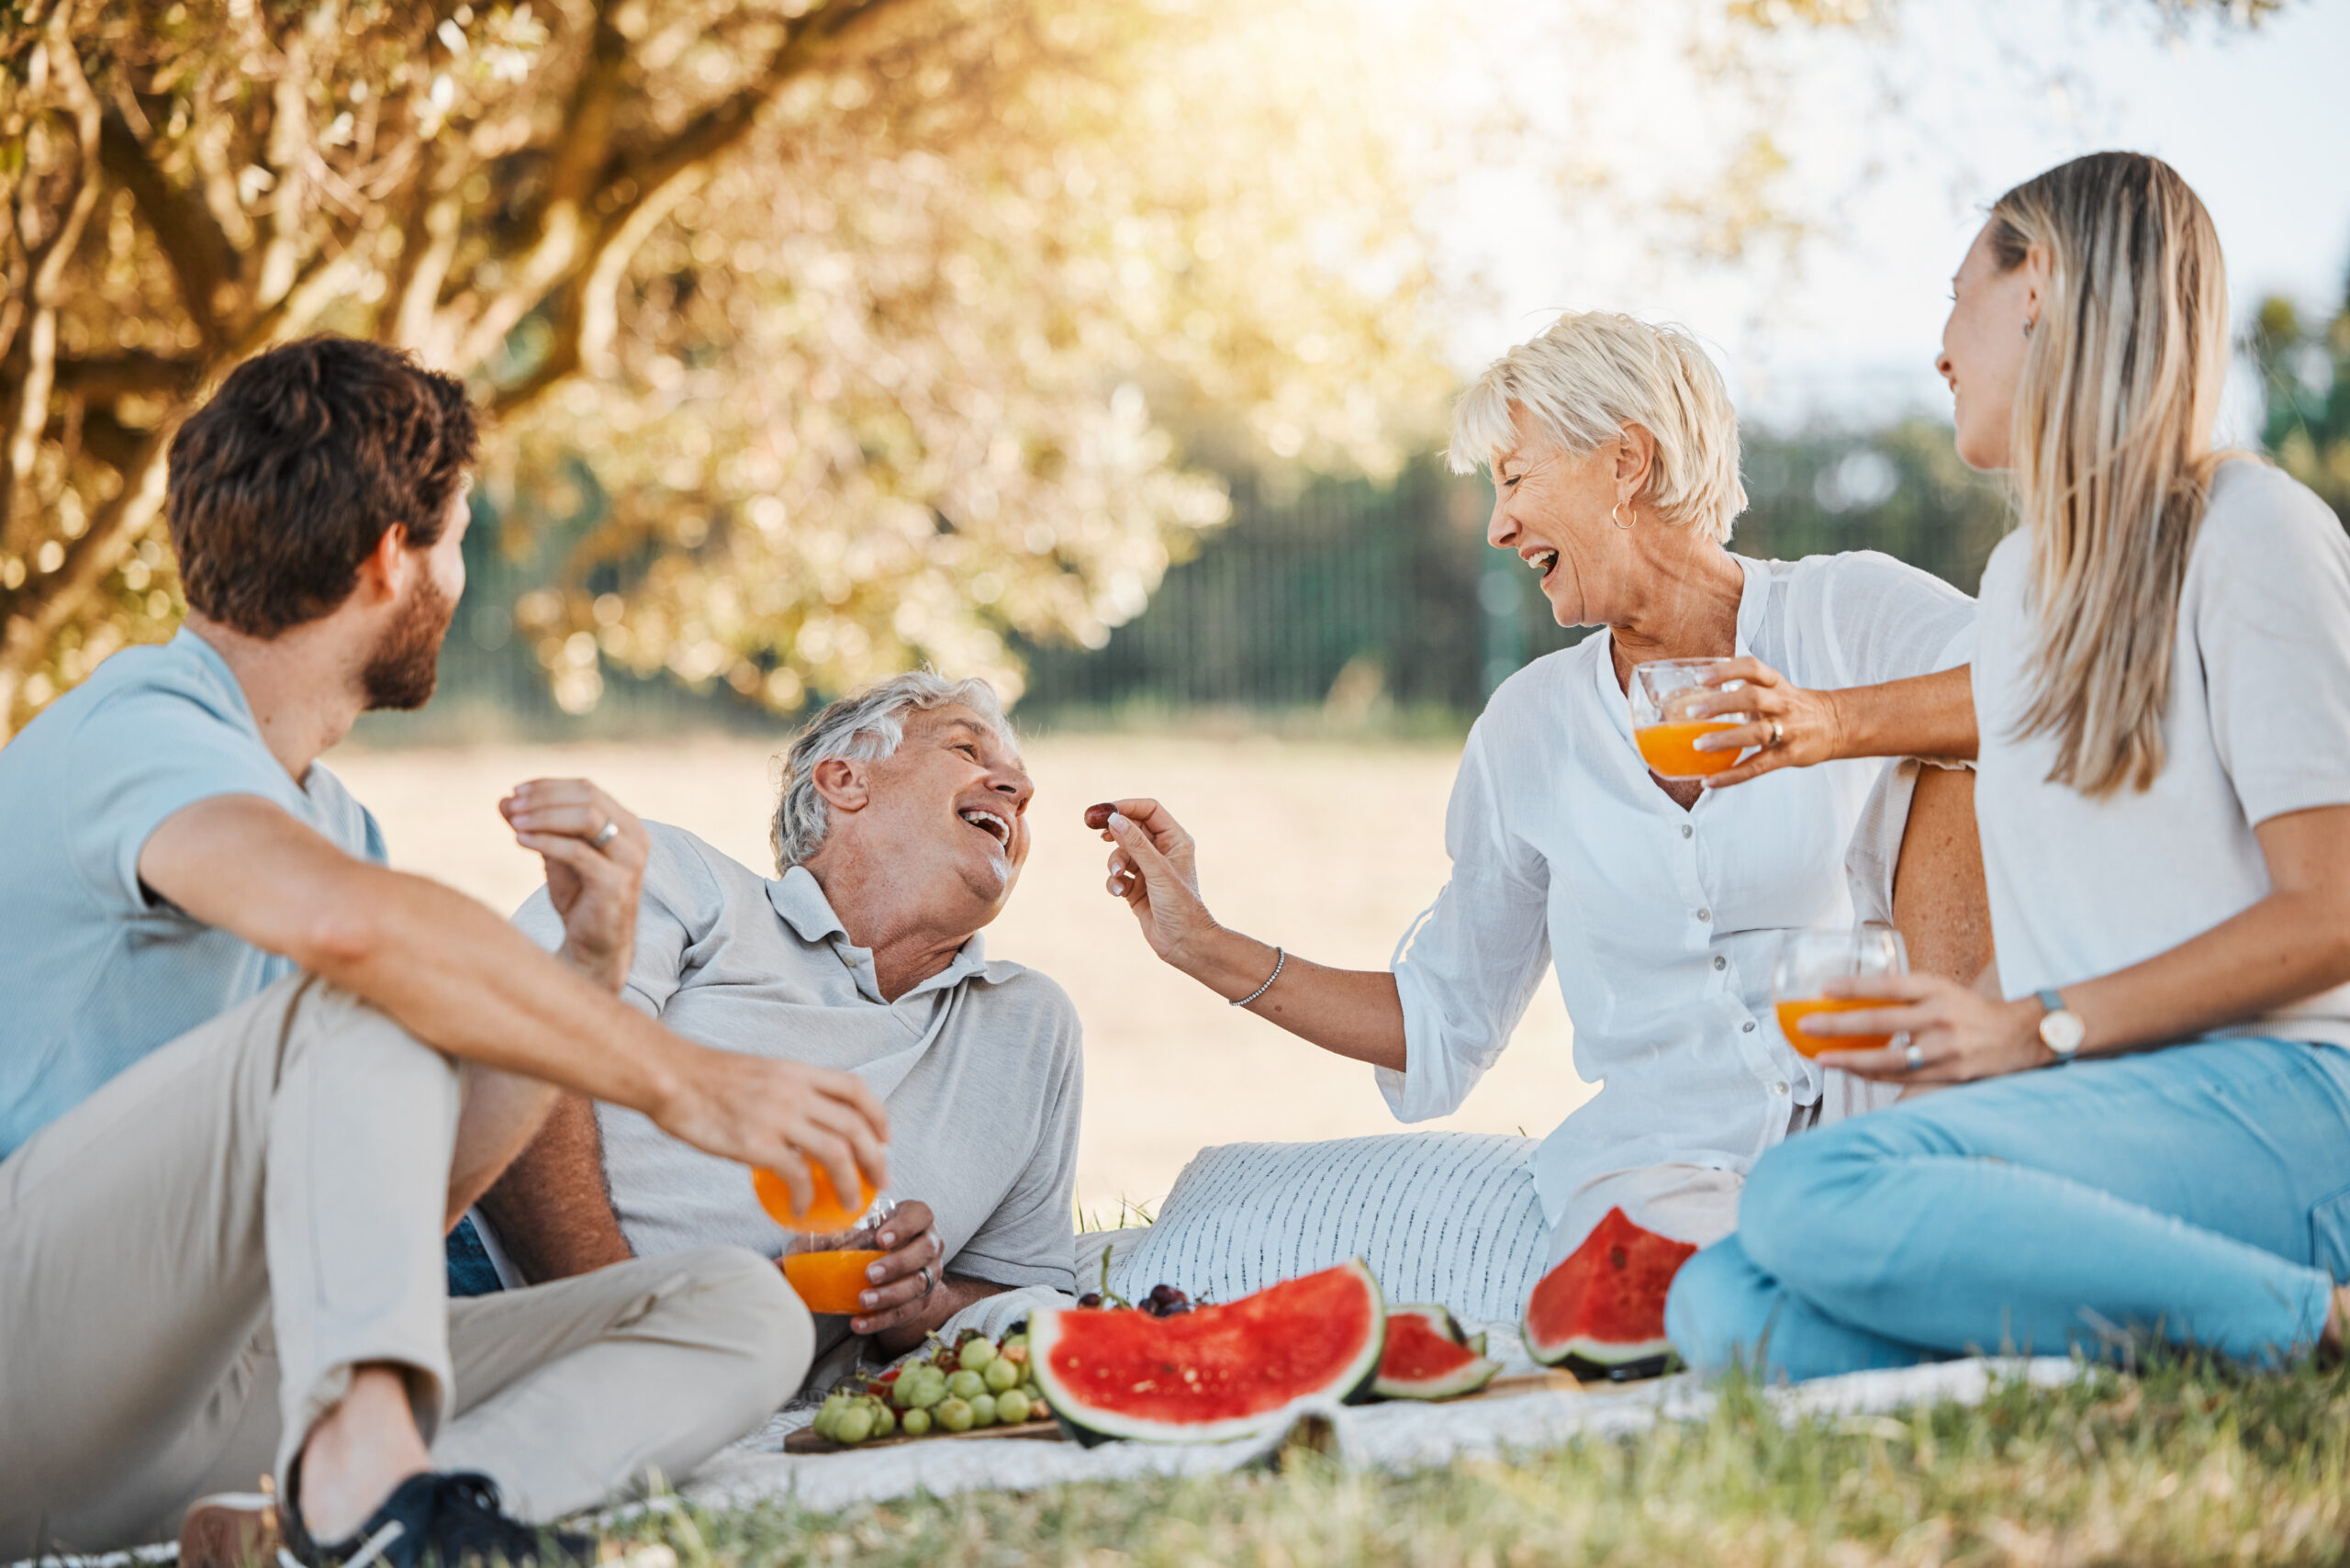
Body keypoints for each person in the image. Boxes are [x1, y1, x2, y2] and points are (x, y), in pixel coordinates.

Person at [0, 337, 890, 1566]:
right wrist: (689, 1081)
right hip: (25, 1366)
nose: (459, 577)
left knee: (735, 1310)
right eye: (456, 538)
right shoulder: (137, 729)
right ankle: (365, 1497)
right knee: (382, 983)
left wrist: (589, 957)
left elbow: (417, 1206)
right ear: (389, 558)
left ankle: (385, 1521)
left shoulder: (328, 825)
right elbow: (359, 938)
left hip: (198, 1413)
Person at [1091, 310, 1990, 1269]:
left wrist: (1827, 723)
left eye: (1515, 478)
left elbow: (2050, 693)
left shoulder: (1845, 612)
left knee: (1958, 751)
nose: (1497, 525)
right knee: (1741, 1286)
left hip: (1883, 1115)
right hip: (1663, 1176)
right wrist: (1206, 948)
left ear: (1625, 462)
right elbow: (1443, 1023)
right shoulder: (1529, 729)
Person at [1664, 151, 2350, 1381]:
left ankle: (2309, 1331)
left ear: (2035, 288)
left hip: (2291, 1098)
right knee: (1721, 1305)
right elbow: (2075, 898)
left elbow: (2335, 908)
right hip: (2103, 1107)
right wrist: (1959, 1020)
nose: (1941, 346)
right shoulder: (2024, 585)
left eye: (1956, 292)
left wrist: (2036, 1029)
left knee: (1812, 1194)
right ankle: (2168, 1340)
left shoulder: (2254, 531)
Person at [469, 673, 1083, 1385]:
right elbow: (523, 1051)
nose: (1016, 787)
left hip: (729, 1371)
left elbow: (1027, 1298)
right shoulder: (686, 878)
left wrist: (923, 1300)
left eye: (1021, 782)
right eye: (967, 749)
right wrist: (625, 1328)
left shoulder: (1028, 1026)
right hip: (480, 1268)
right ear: (845, 780)